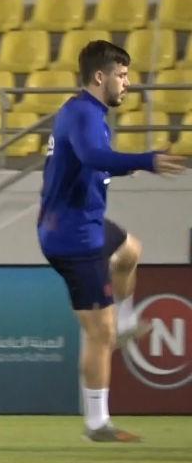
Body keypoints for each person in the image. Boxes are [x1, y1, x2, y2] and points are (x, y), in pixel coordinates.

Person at [37, 40, 185, 442]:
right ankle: (97, 423)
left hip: (84, 224)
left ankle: (124, 319)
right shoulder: (84, 113)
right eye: (121, 75)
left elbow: (90, 160)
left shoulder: (85, 112)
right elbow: (92, 156)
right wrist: (145, 160)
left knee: (130, 250)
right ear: (99, 77)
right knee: (99, 335)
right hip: (73, 238)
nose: (128, 83)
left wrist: (119, 168)